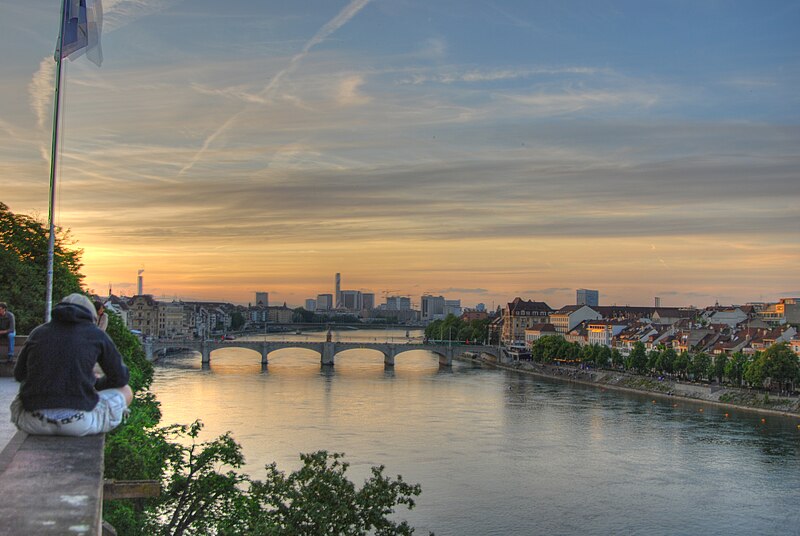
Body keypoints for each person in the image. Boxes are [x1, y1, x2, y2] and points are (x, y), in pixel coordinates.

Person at [10, 293, 133, 436]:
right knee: (126, 390)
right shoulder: (96, 334)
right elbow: (120, 378)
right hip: (78, 423)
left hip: (33, 422)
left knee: (21, 397)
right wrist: (96, 382)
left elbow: (19, 374)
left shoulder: (38, 332)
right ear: (90, 315)